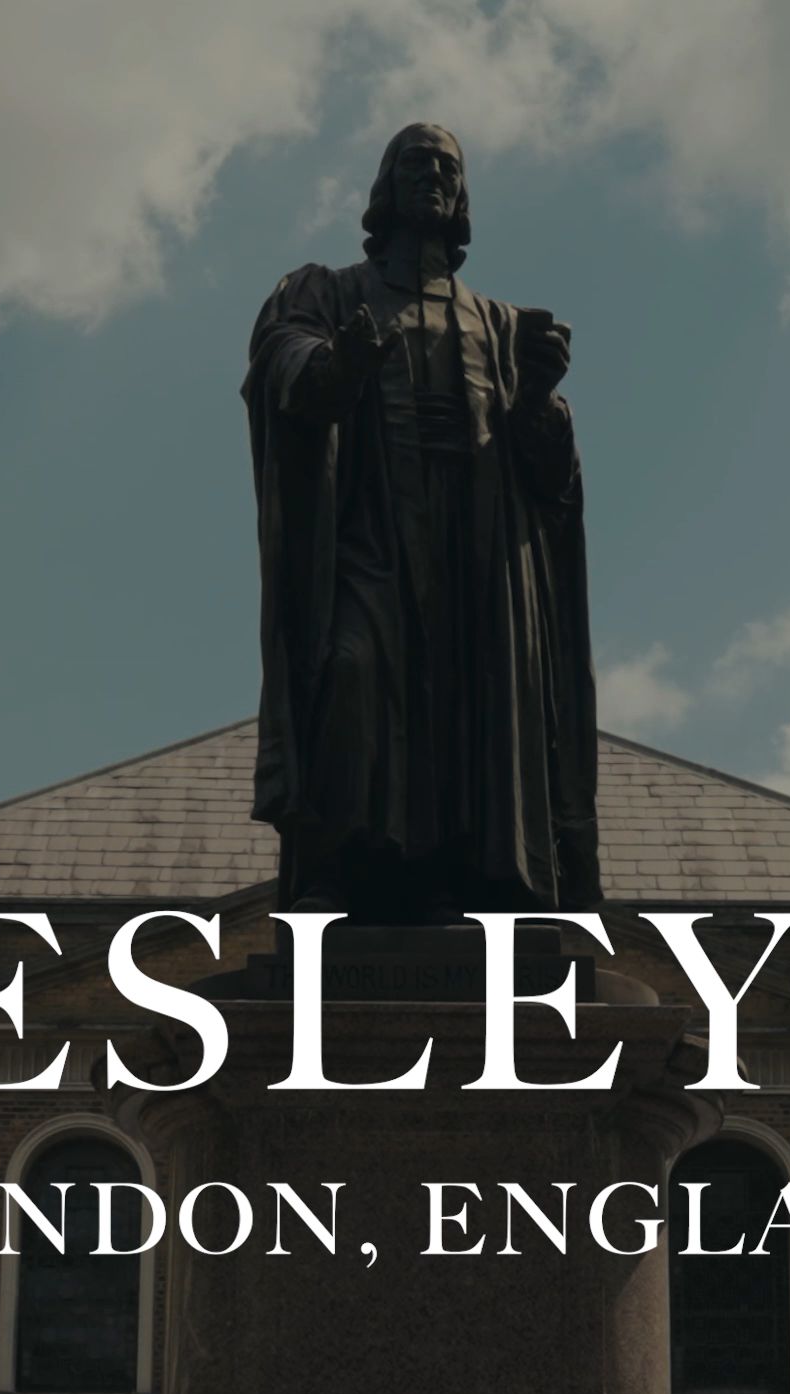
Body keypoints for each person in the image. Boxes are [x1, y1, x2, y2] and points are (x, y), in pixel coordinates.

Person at [244, 122, 601, 923]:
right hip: (371, 538)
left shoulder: (504, 327)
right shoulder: (328, 292)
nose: (432, 174)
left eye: (447, 165)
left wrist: (540, 399)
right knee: (351, 668)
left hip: (477, 552)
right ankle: (333, 869)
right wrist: (338, 363)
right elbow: (287, 366)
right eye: (416, 162)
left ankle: (455, 876)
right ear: (386, 186)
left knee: (474, 705)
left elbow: (555, 484)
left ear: (462, 194)